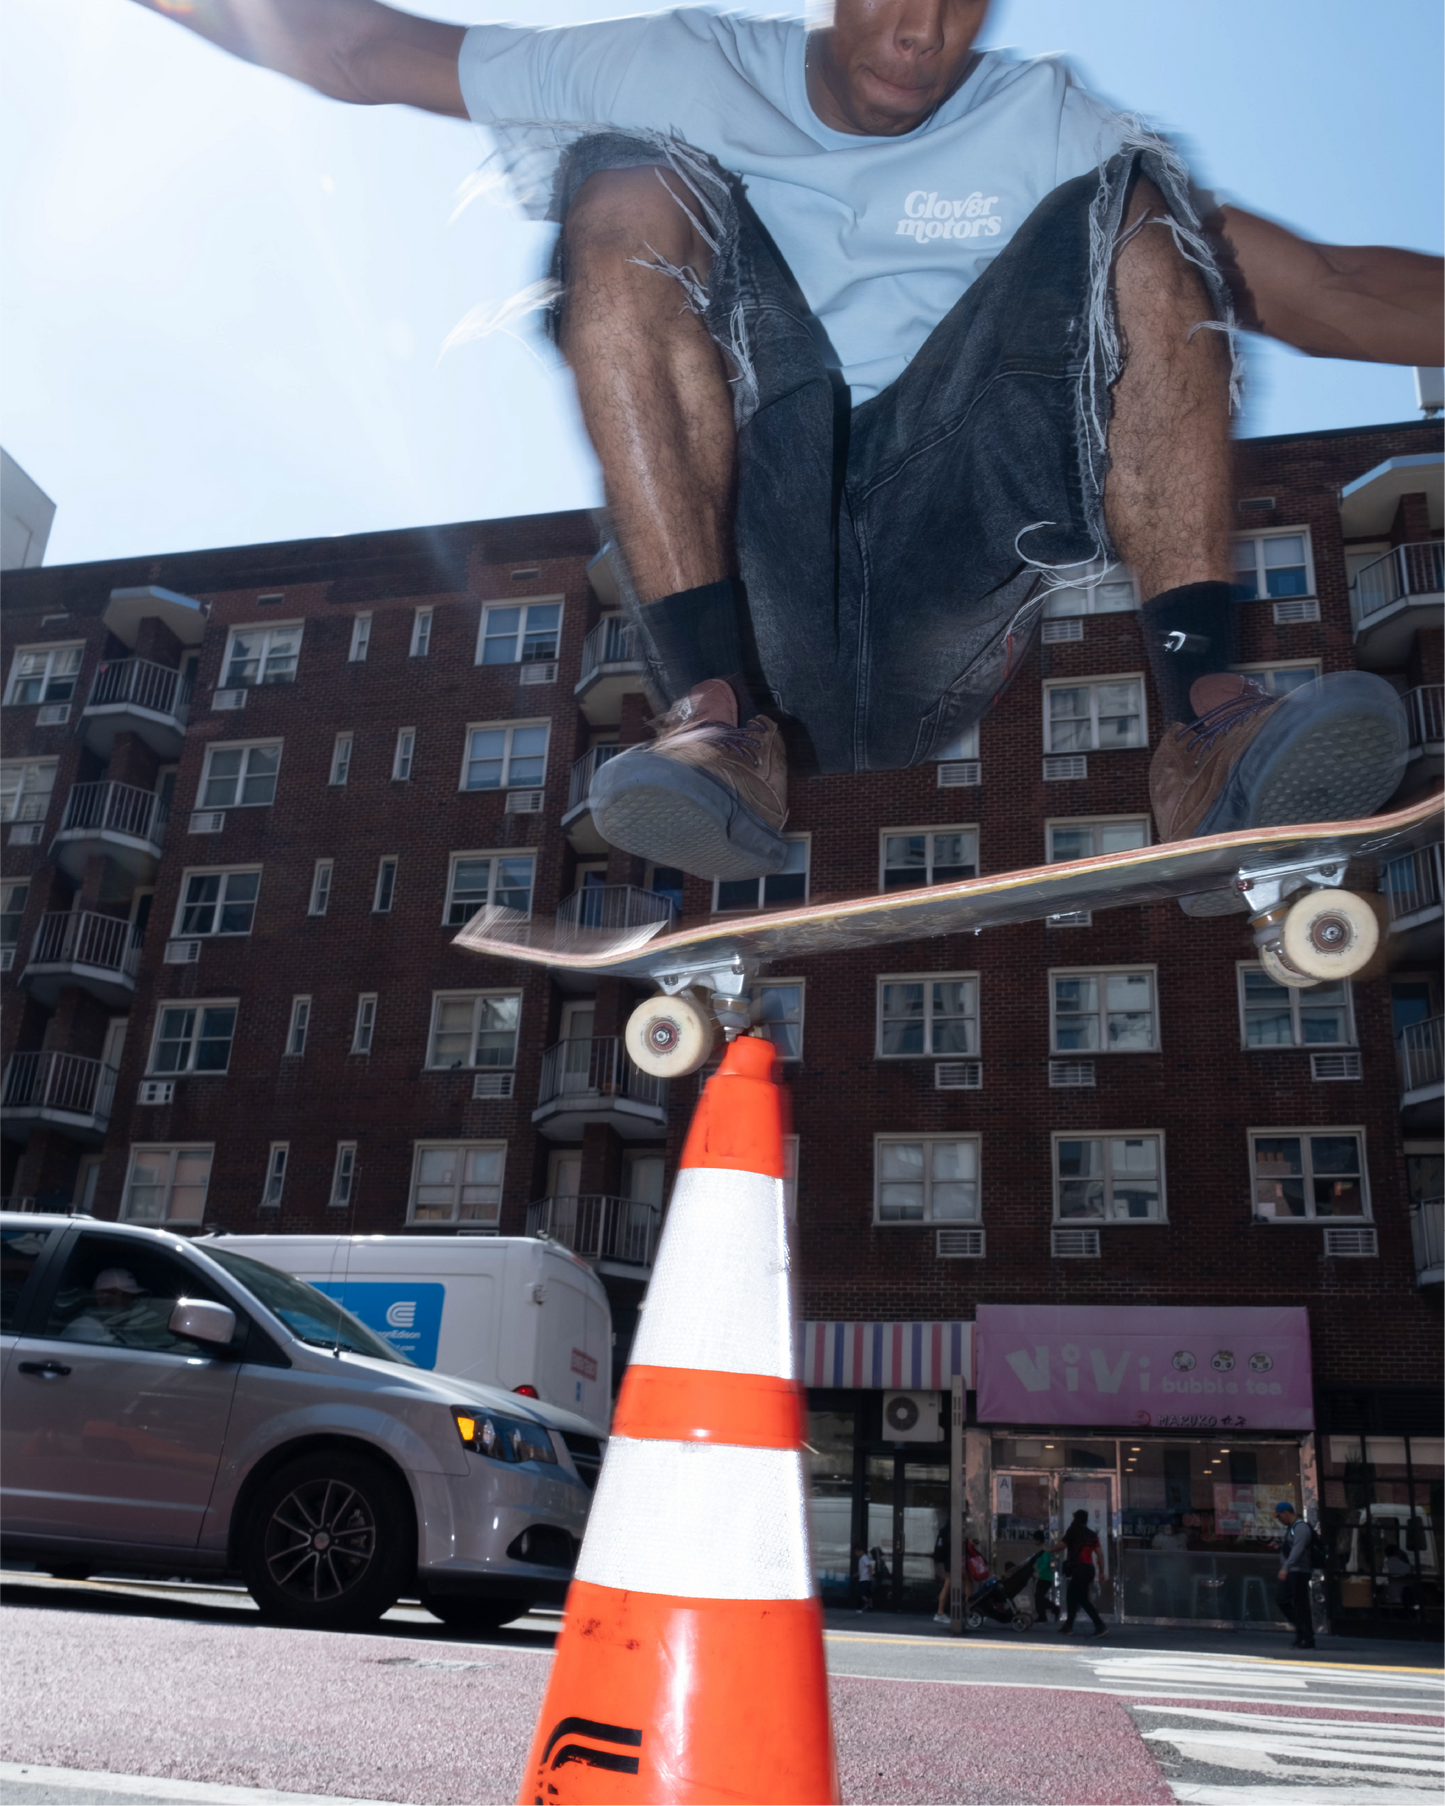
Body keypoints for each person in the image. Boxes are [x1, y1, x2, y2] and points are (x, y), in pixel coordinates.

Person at [135, 0, 1445, 883]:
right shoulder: (680, 64)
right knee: (628, 188)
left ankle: (1203, 717)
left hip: (955, 542)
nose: (920, 32)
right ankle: (713, 714)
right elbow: (365, 53)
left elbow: (1323, 286)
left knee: (1149, 218)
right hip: (764, 547)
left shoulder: (1046, 123)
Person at [1054, 1508, 1107, 1637]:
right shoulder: (1092, 1535)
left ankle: (1100, 1625)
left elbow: (1061, 1546)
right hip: (1089, 1569)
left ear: (1075, 1519)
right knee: (1072, 1596)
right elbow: (1100, 1555)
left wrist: (1048, 1549)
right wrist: (1101, 1572)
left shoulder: (1073, 1532)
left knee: (1081, 1598)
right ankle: (1068, 1626)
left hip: (1079, 1569)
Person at [1274, 1501, 1316, 1650]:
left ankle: (1307, 1637)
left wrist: (1285, 1567)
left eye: (1279, 1516)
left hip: (1298, 1571)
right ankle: (1301, 1631)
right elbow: (1293, 1548)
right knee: (1282, 1600)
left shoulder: (1301, 1527)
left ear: (1286, 1513)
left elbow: (1297, 1550)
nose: (1279, 1519)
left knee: (1300, 1604)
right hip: (1293, 1570)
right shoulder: (1293, 1528)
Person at [1030, 1530, 1058, 1625]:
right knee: (1038, 1597)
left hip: (1046, 1578)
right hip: (1043, 1578)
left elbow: (1046, 1563)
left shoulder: (1045, 1549)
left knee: (1039, 1597)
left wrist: (1039, 1573)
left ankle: (1053, 1609)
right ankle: (1044, 1615)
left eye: (1034, 1540)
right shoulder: (1041, 1550)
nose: (1033, 1542)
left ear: (1038, 1540)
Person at [932, 1518, 951, 1626]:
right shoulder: (952, 1527)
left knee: (949, 1582)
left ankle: (940, 1612)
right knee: (948, 1582)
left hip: (947, 1558)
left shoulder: (946, 1526)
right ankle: (940, 1612)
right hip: (950, 1558)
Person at [854, 1545, 874, 1613]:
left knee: (860, 1592)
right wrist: (857, 1574)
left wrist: (870, 1577)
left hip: (864, 1579)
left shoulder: (864, 1558)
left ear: (861, 1551)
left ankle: (867, 1603)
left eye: (857, 1551)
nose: (856, 1553)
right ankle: (870, 1606)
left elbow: (869, 1567)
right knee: (867, 1593)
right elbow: (863, 1570)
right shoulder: (863, 1558)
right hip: (864, 1577)